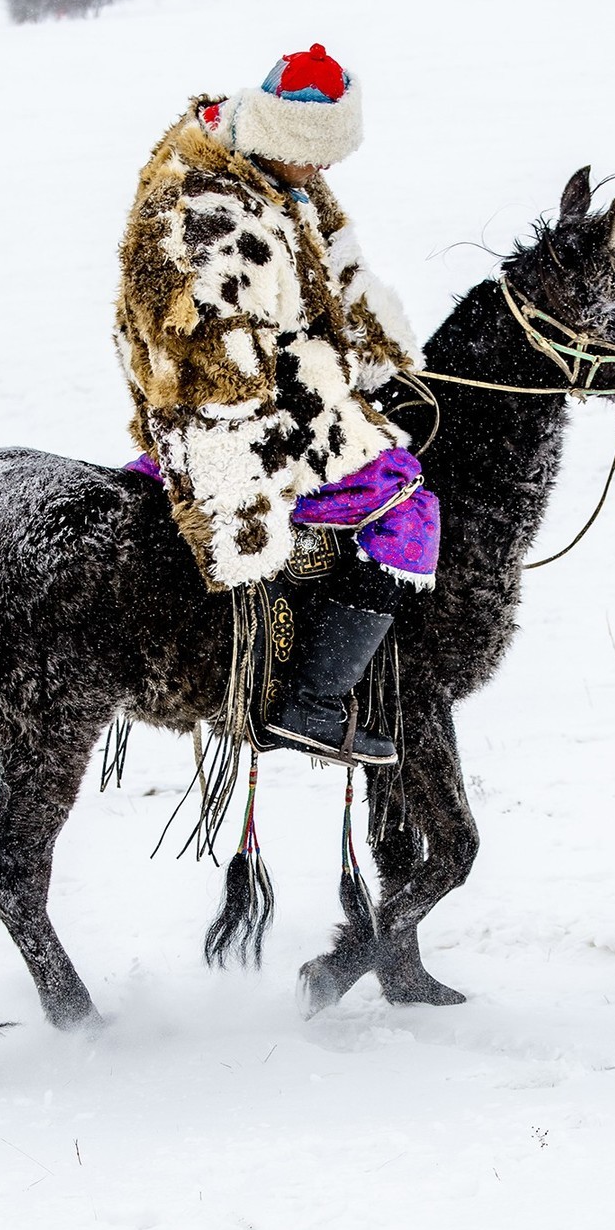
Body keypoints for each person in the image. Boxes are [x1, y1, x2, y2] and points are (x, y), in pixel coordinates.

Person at [115, 43, 438, 765]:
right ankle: (311, 704)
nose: (323, 172)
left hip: (278, 386)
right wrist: (248, 504)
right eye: (313, 156)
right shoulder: (207, 215)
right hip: (240, 420)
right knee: (408, 503)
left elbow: (341, 285)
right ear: (277, 134)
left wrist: (390, 362)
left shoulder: (273, 171)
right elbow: (213, 377)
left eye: (332, 158)